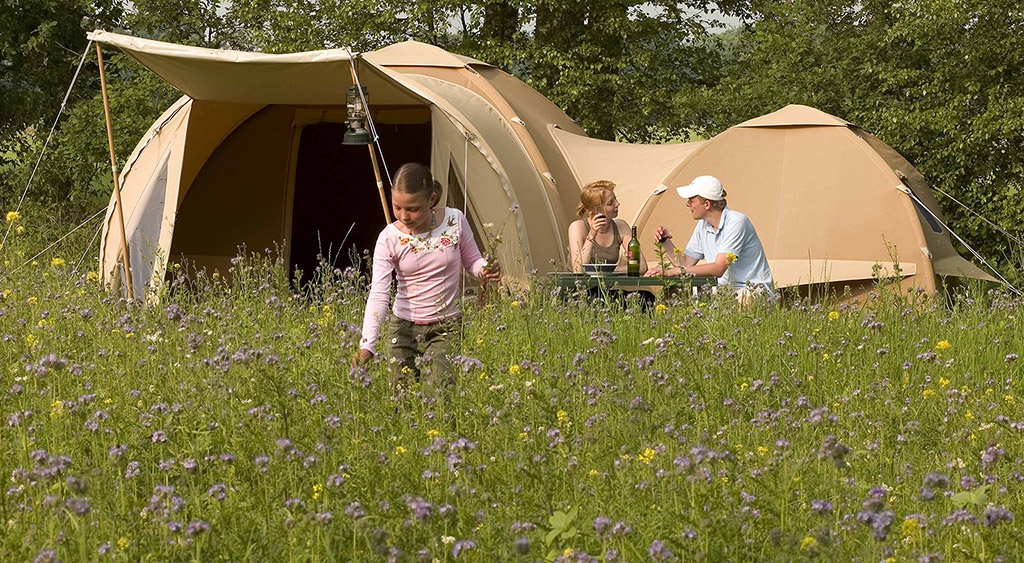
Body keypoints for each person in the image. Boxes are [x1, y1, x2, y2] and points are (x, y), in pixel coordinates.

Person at [354, 163, 501, 386]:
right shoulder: (389, 238)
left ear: (431, 200)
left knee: (441, 396)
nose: (404, 216)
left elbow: (472, 261)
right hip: (403, 329)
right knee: (402, 399)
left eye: (412, 208)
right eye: (397, 207)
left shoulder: (455, 221)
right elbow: (379, 294)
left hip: (446, 328)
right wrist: (367, 344)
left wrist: (486, 269)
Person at [648, 175, 775, 302]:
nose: (687, 204)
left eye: (691, 200)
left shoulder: (737, 221)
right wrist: (665, 241)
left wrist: (675, 271)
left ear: (707, 204)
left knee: (741, 303)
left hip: (753, 290)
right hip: (726, 293)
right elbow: (685, 263)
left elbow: (719, 268)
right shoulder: (702, 225)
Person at [567, 180, 647, 274]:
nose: (617, 204)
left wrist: (608, 271)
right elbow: (578, 270)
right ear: (596, 210)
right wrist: (591, 235)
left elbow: (641, 267)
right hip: (580, 287)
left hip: (607, 287)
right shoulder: (578, 227)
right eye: (610, 203)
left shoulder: (621, 226)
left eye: (615, 199)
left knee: (643, 290)